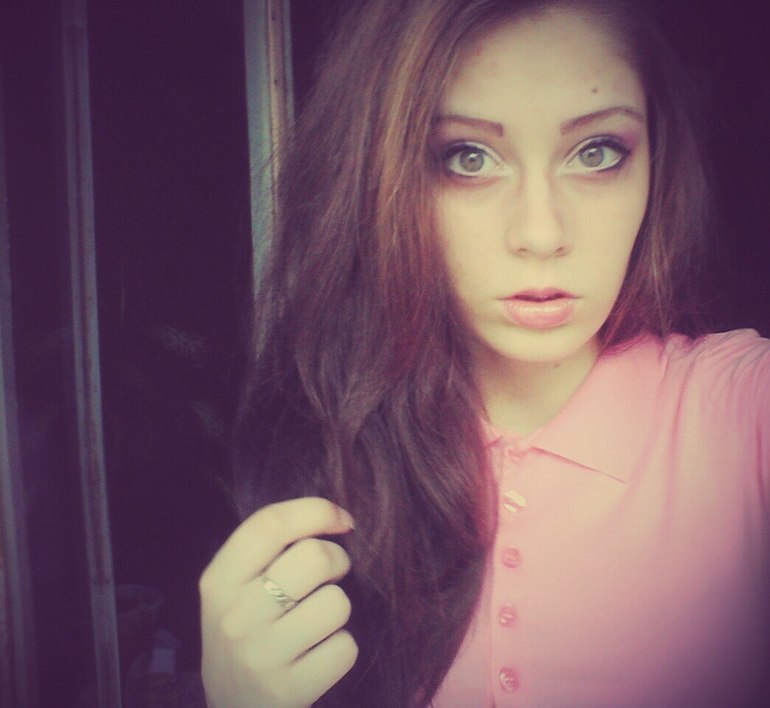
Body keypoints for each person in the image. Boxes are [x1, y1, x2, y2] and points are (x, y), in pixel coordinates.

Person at [199, 0, 770, 706]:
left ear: (657, 164)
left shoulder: (739, 415)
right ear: (379, 181)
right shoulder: (335, 444)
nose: (540, 233)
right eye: (467, 158)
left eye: (597, 152)